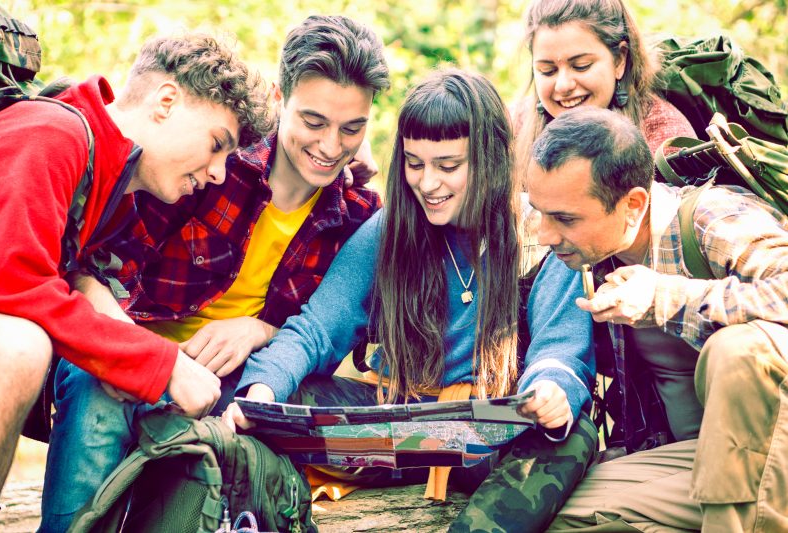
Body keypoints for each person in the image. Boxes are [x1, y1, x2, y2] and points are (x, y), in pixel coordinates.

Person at [39, 15, 389, 532]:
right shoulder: (211, 163)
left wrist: (260, 329)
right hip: (129, 355)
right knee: (96, 392)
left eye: (352, 128)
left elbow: (322, 337)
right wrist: (145, 359)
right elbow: (95, 270)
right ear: (279, 98)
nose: (332, 146)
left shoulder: (356, 215)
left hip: (229, 387)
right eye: (314, 122)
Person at [224, 68, 597, 532]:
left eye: (448, 165)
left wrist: (550, 392)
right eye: (415, 163)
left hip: (490, 437)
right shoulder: (389, 232)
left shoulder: (539, 235)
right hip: (395, 436)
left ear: (489, 159)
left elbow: (561, 347)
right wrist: (263, 392)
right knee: (262, 398)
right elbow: (317, 329)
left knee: (572, 435)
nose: (427, 183)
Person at [0, 33, 269, 517]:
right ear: (166, 102)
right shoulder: (55, 134)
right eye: (217, 145)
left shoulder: (110, 181)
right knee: (20, 347)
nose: (221, 174)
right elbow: (11, 284)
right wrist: (163, 363)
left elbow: (65, 279)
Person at [525, 106, 788, 531]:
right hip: (698, 457)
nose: (544, 234)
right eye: (540, 211)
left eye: (565, 219)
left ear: (632, 205)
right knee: (554, 512)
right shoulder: (593, 252)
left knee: (738, 350)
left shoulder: (711, 218)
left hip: (776, 448)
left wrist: (664, 298)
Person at [513, 0, 696, 173]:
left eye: (581, 66)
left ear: (619, 60)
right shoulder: (513, 127)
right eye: (547, 71)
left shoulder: (666, 139)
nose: (563, 85)